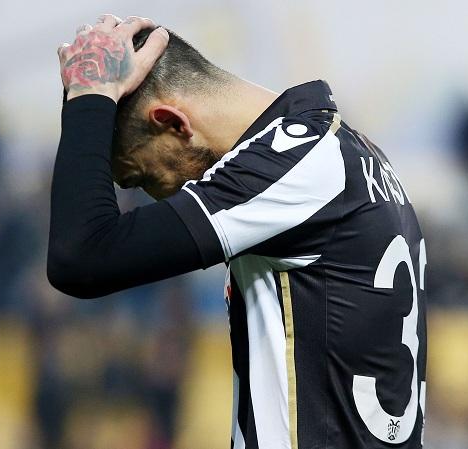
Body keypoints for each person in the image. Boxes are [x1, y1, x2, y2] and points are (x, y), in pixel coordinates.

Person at [48, 15, 428, 449]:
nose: (158, 199)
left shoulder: (292, 165)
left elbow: (80, 256)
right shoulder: (350, 154)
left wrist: (89, 94)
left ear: (172, 123)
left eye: (142, 178)